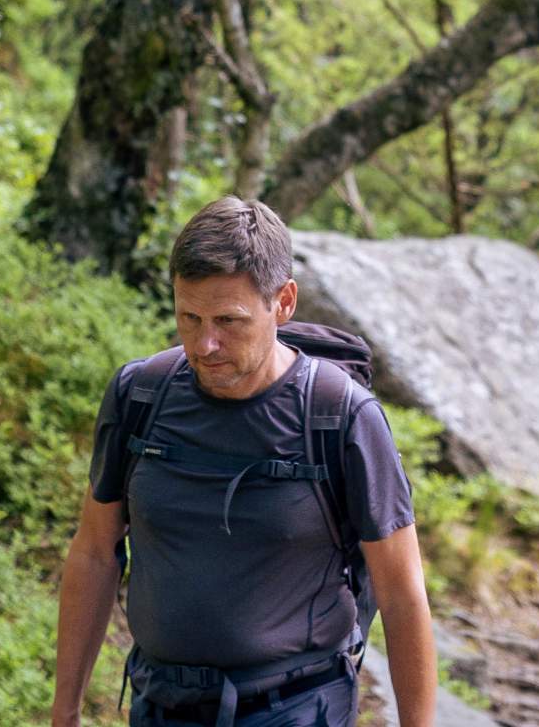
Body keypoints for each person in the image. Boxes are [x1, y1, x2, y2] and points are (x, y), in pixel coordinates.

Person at [50, 197, 438, 727]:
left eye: (229, 321)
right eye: (189, 317)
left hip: (296, 708)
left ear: (284, 302)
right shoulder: (141, 395)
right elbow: (95, 553)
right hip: (160, 704)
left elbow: (401, 593)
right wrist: (64, 710)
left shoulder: (339, 416)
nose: (205, 344)